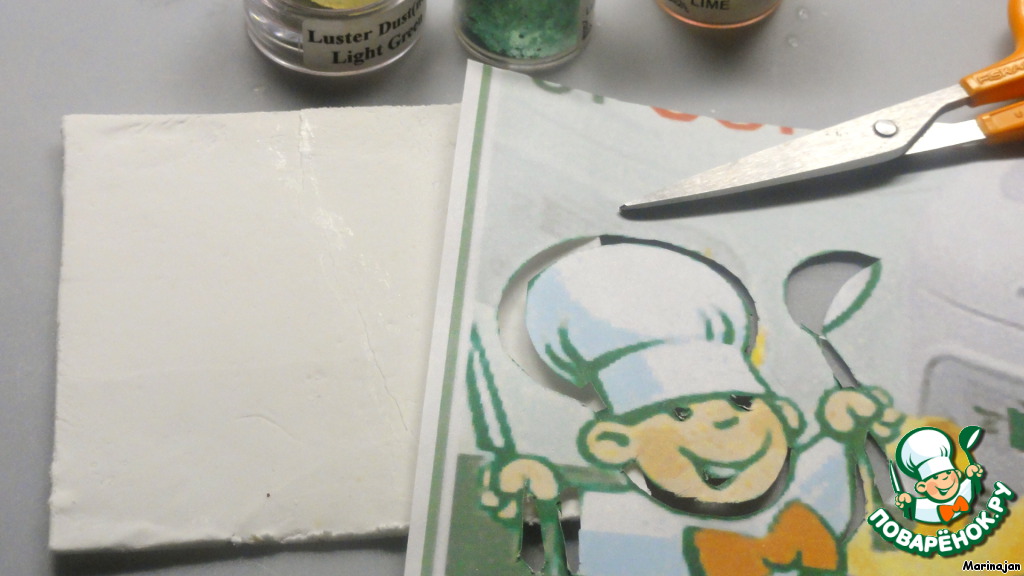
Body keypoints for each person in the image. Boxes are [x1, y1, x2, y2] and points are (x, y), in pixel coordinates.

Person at [483, 236, 902, 576]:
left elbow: (830, 484)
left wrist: (847, 435)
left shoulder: (806, 503)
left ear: (786, 418)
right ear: (614, 443)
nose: (722, 424)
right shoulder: (620, 522)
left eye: (742, 403)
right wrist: (531, 494)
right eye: (680, 413)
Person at [894, 427, 983, 524]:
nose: (945, 479)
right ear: (922, 487)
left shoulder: (965, 491)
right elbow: (911, 508)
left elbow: (973, 484)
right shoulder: (926, 508)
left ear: (958, 474)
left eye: (948, 473)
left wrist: (973, 475)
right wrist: (906, 502)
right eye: (936, 477)